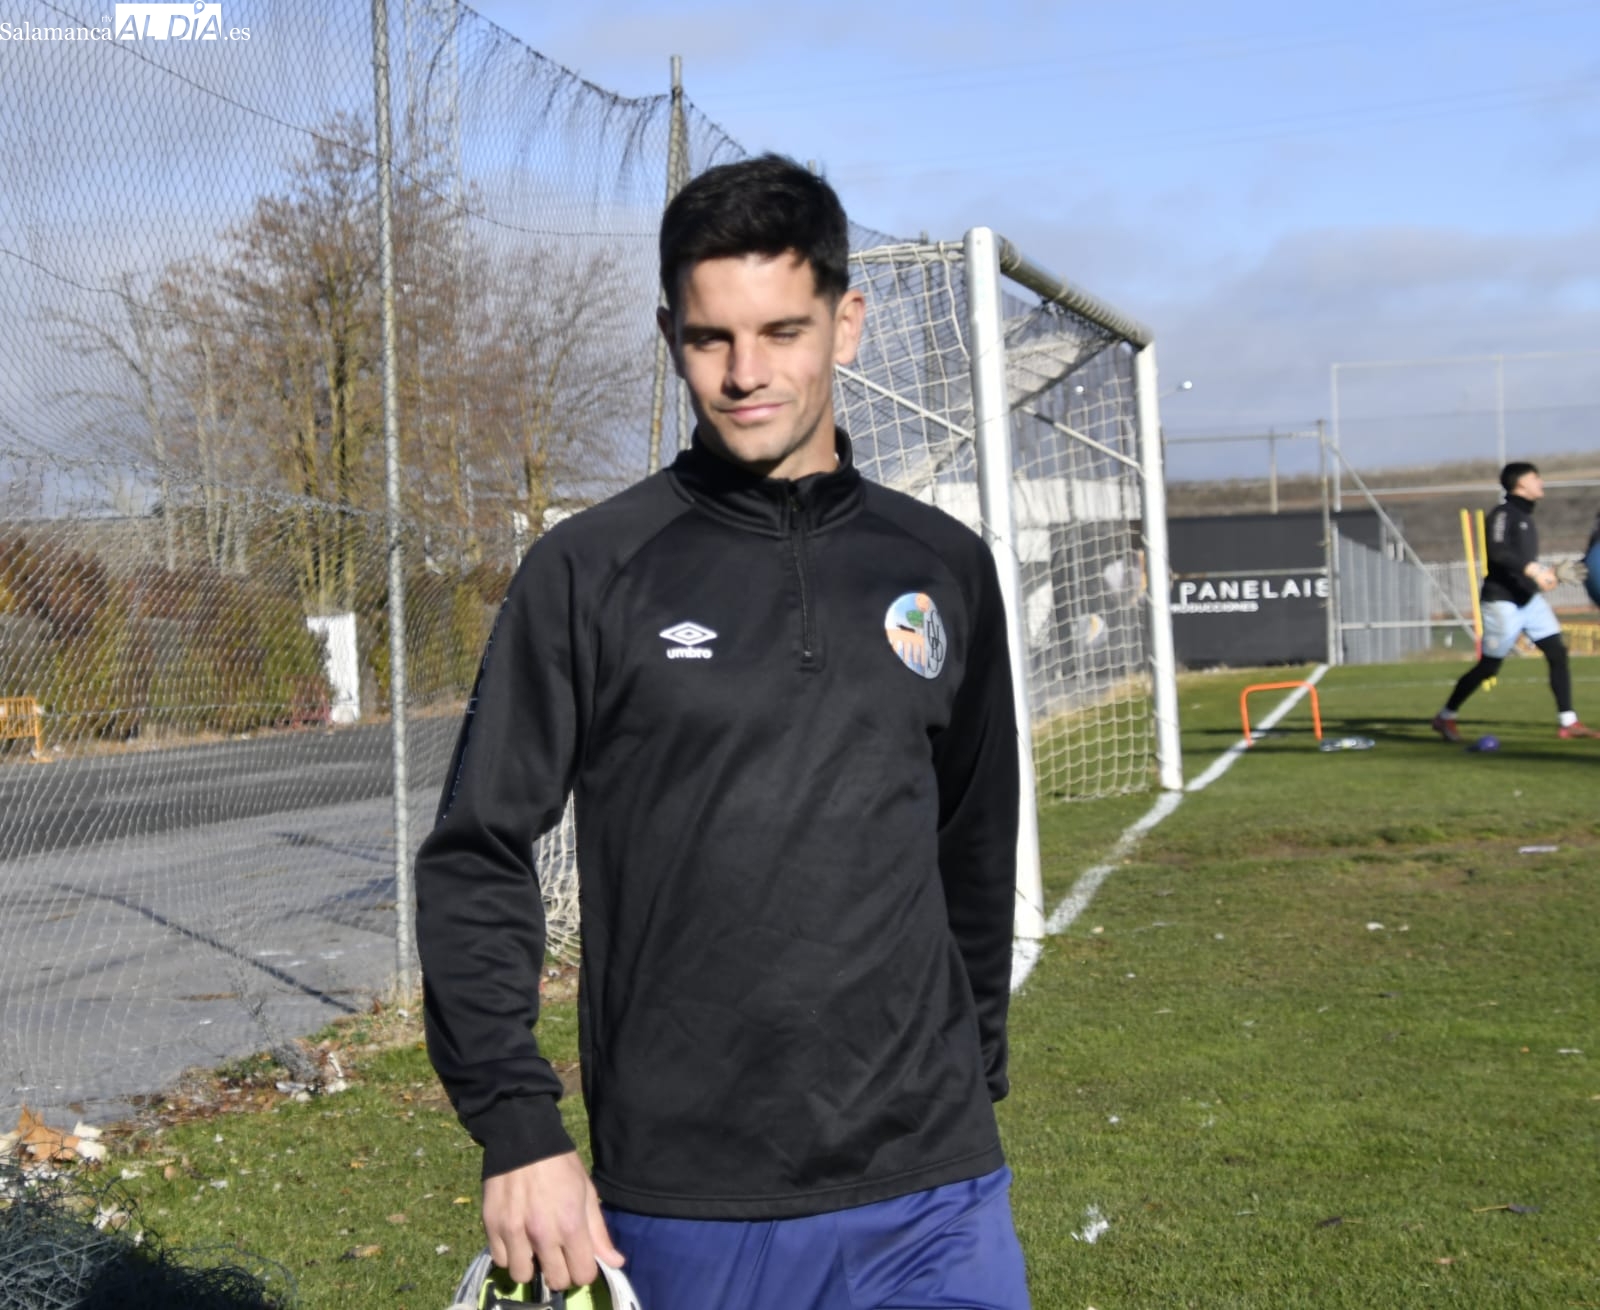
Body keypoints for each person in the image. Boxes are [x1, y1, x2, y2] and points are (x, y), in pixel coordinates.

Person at [415, 153, 1032, 1310]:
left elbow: (972, 839)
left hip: (930, 1178)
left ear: (846, 324)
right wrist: (517, 1125)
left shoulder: (940, 565)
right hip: (688, 1188)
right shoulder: (587, 572)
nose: (747, 373)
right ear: (670, 336)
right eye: (711, 339)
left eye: (782, 331)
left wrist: (974, 1072)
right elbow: (476, 850)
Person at [1432, 461, 1596, 742]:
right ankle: (1445, 717)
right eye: (1536, 478)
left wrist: (1551, 574)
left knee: (1557, 652)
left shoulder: (1525, 516)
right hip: (1502, 602)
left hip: (1528, 600)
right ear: (1520, 483)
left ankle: (1568, 722)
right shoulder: (1503, 514)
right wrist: (1532, 570)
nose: (1541, 482)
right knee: (1489, 667)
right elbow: (1497, 552)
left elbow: (1522, 564)